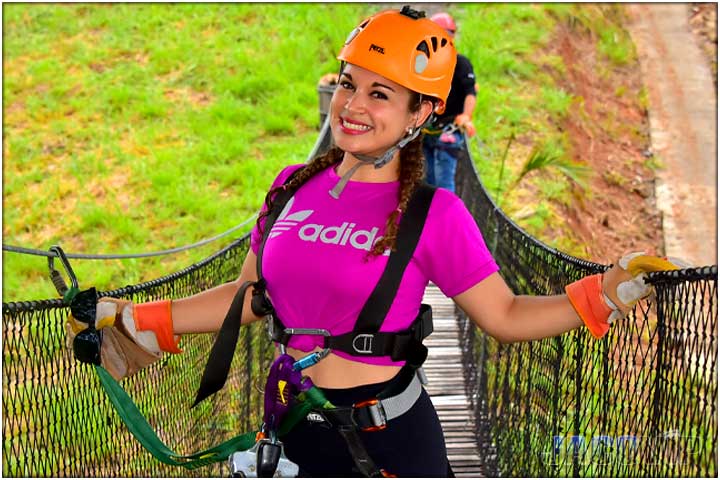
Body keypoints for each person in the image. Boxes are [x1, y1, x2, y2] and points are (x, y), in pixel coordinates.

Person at [66, 6, 679, 478]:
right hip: (294, 423)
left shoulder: (434, 213)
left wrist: (605, 294)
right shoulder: (291, 187)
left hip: (391, 439)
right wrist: (133, 317)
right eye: (347, 84)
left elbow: (507, 315)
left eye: (379, 94)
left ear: (420, 113)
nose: (352, 106)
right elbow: (249, 297)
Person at [422, 11, 477, 193]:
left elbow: (470, 92)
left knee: (443, 185)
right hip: (429, 129)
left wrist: (466, 116)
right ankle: (433, 218)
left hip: (449, 128)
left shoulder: (461, 64)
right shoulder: (428, 65)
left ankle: (445, 219)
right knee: (430, 182)